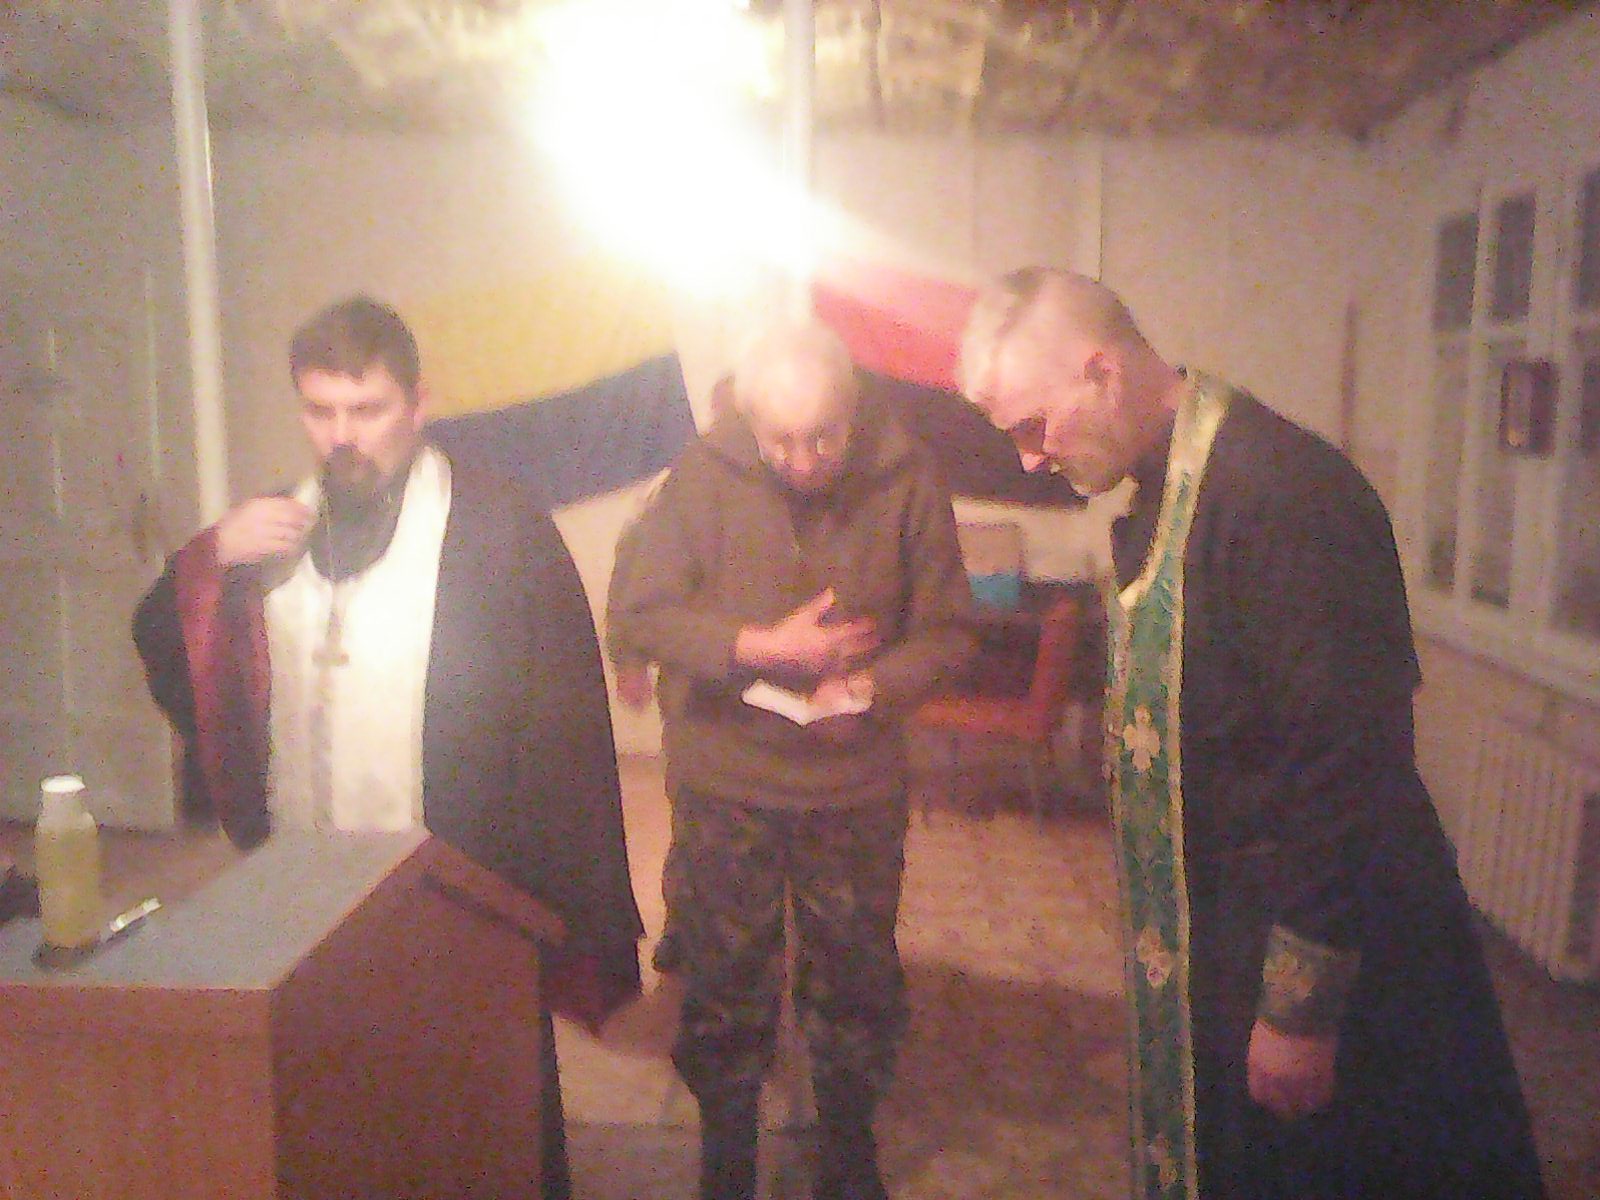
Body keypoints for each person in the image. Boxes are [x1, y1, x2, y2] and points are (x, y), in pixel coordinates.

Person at [959, 267, 1546, 1200]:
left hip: (1332, 954)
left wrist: (1300, 1010)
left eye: (1034, 426)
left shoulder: (1285, 496)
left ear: (1102, 372)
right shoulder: (1166, 488)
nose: (1028, 460)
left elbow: (1350, 762)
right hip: (1222, 934)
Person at [132, 295, 643, 1200]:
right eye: (320, 410)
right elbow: (177, 651)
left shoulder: (498, 528)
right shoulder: (273, 529)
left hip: (458, 884)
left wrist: (550, 901)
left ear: (418, 403)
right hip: (302, 882)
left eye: (366, 410)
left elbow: (561, 724)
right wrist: (210, 558)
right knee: (331, 1099)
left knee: (474, 1110)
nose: (342, 436)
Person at [607, 318, 973, 1200]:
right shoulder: (702, 475)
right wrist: (760, 647)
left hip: (853, 785)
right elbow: (641, 613)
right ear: (748, 419)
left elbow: (952, 632)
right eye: (781, 441)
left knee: (856, 977)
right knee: (725, 975)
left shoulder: (908, 477)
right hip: (727, 780)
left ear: (853, 411)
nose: (804, 461)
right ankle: (727, 1149)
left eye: (824, 437)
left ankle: (846, 1145)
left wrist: (873, 687)